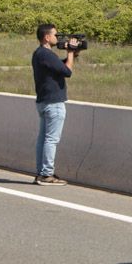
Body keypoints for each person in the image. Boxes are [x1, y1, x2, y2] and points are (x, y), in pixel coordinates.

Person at [31, 24, 78, 186]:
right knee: (51, 140)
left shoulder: (40, 54)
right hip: (54, 103)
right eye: (55, 35)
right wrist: (70, 52)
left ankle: (41, 172)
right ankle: (47, 174)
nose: (57, 38)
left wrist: (73, 54)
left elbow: (59, 66)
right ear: (47, 37)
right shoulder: (46, 53)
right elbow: (67, 72)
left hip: (43, 102)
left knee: (43, 139)